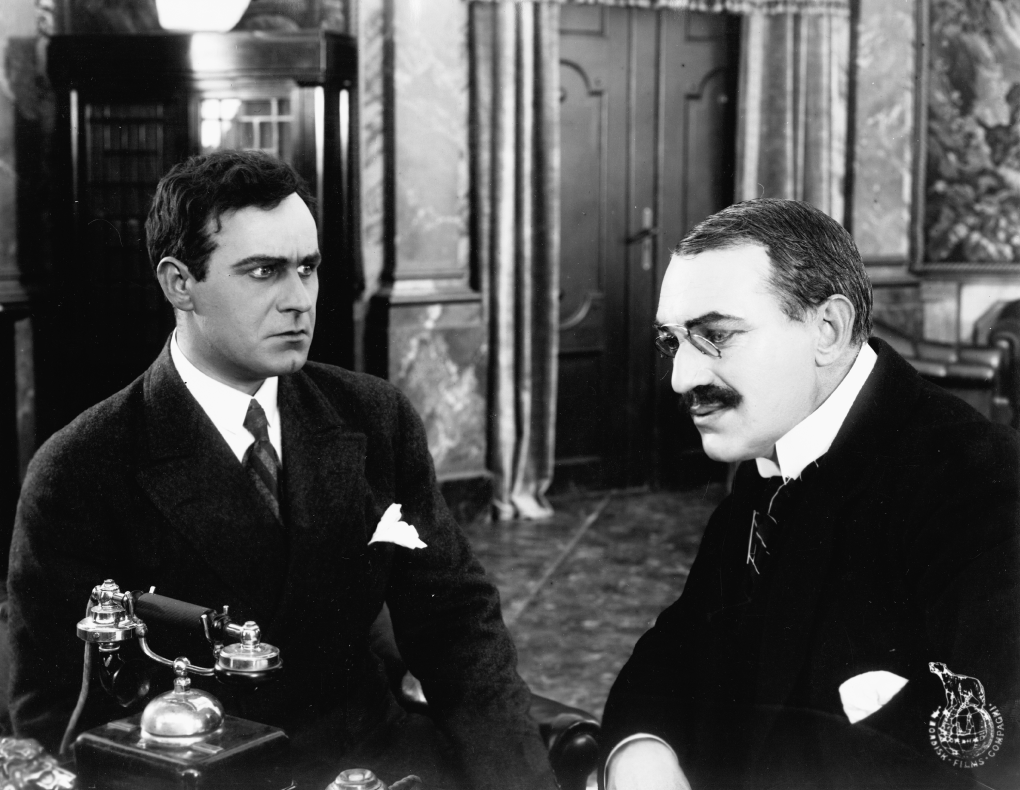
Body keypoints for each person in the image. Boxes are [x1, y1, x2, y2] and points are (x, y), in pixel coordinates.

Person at [7, 150, 558, 790]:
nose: (298, 301)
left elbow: (458, 627)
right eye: (264, 272)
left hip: (377, 764)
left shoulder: (375, 417)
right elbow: (55, 720)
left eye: (307, 268)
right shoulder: (81, 468)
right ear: (180, 284)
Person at [601, 198, 1020, 790]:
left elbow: (995, 756)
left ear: (829, 330)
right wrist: (641, 754)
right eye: (673, 342)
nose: (681, 378)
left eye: (716, 336)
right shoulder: (775, 453)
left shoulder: (983, 483)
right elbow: (680, 646)